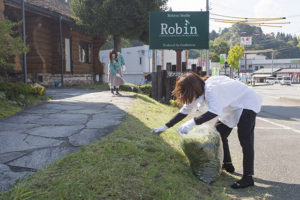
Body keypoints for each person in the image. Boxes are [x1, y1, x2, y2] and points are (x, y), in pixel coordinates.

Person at [150, 72, 262, 189]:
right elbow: (184, 111)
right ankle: (227, 164)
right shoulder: (199, 92)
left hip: (246, 102)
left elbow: (214, 112)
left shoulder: (211, 88)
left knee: (245, 139)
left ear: (194, 88)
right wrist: (165, 127)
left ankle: (248, 177)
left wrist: (193, 122)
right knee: (218, 133)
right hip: (231, 106)